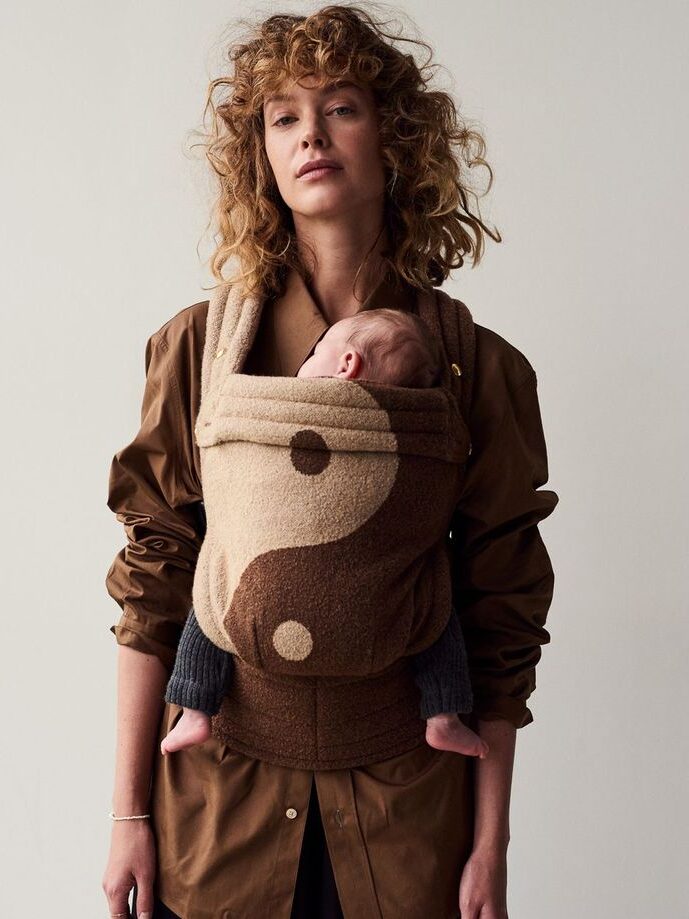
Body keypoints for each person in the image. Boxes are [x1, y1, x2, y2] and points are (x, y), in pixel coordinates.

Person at [102, 7, 558, 919]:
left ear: (395, 137)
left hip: (405, 817)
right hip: (218, 812)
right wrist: (126, 813)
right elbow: (157, 578)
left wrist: (488, 846)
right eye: (282, 115)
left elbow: (501, 614)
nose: (311, 132)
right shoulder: (196, 350)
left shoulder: (478, 367)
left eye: (341, 106)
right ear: (259, 156)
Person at [159, 307, 489, 764]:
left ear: (347, 364)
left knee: (215, 595)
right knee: (435, 608)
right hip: (384, 619)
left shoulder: (267, 394)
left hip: (259, 604)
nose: (303, 365)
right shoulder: (425, 423)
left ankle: (194, 707)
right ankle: (444, 716)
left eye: (316, 353)